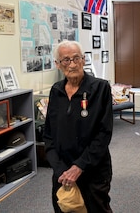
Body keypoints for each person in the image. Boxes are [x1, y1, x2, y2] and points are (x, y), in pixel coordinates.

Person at [44, 40, 113, 212]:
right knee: (65, 208)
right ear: (58, 65)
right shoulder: (56, 90)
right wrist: (60, 169)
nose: (72, 64)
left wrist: (80, 166)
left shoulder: (100, 88)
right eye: (66, 60)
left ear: (83, 60)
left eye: (76, 58)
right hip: (62, 172)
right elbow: (48, 135)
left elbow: (104, 133)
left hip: (93, 169)